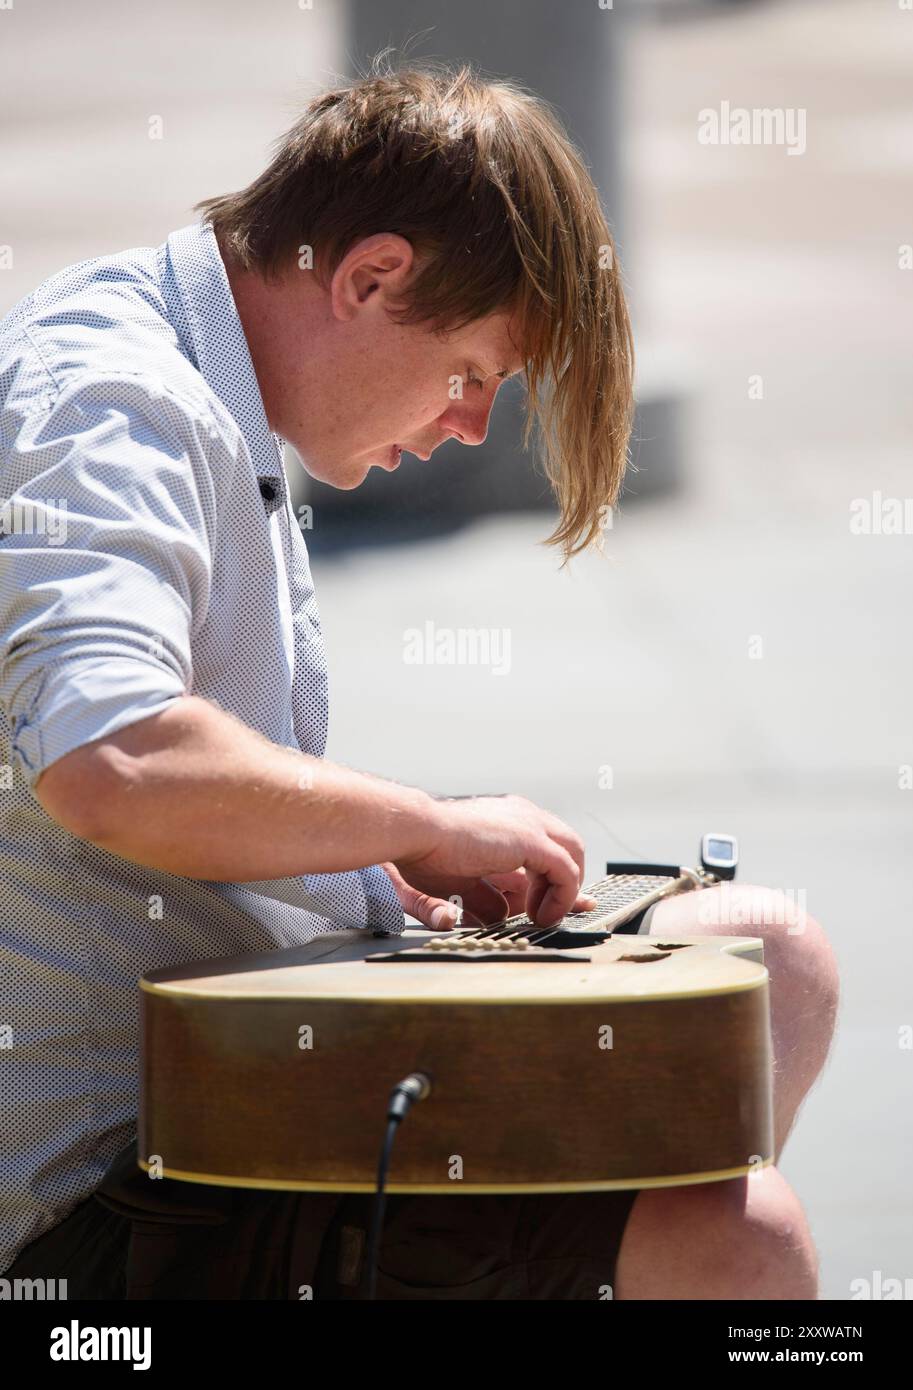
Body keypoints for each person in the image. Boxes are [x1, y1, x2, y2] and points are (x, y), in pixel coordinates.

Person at [0, 60, 837, 1300]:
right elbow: (112, 760)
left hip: (237, 1051)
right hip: (103, 1187)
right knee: (740, 1242)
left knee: (774, 959)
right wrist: (426, 822)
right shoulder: (118, 403)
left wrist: (365, 867)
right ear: (372, 276)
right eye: (472, 373)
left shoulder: (210, 382)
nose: (469, 424)